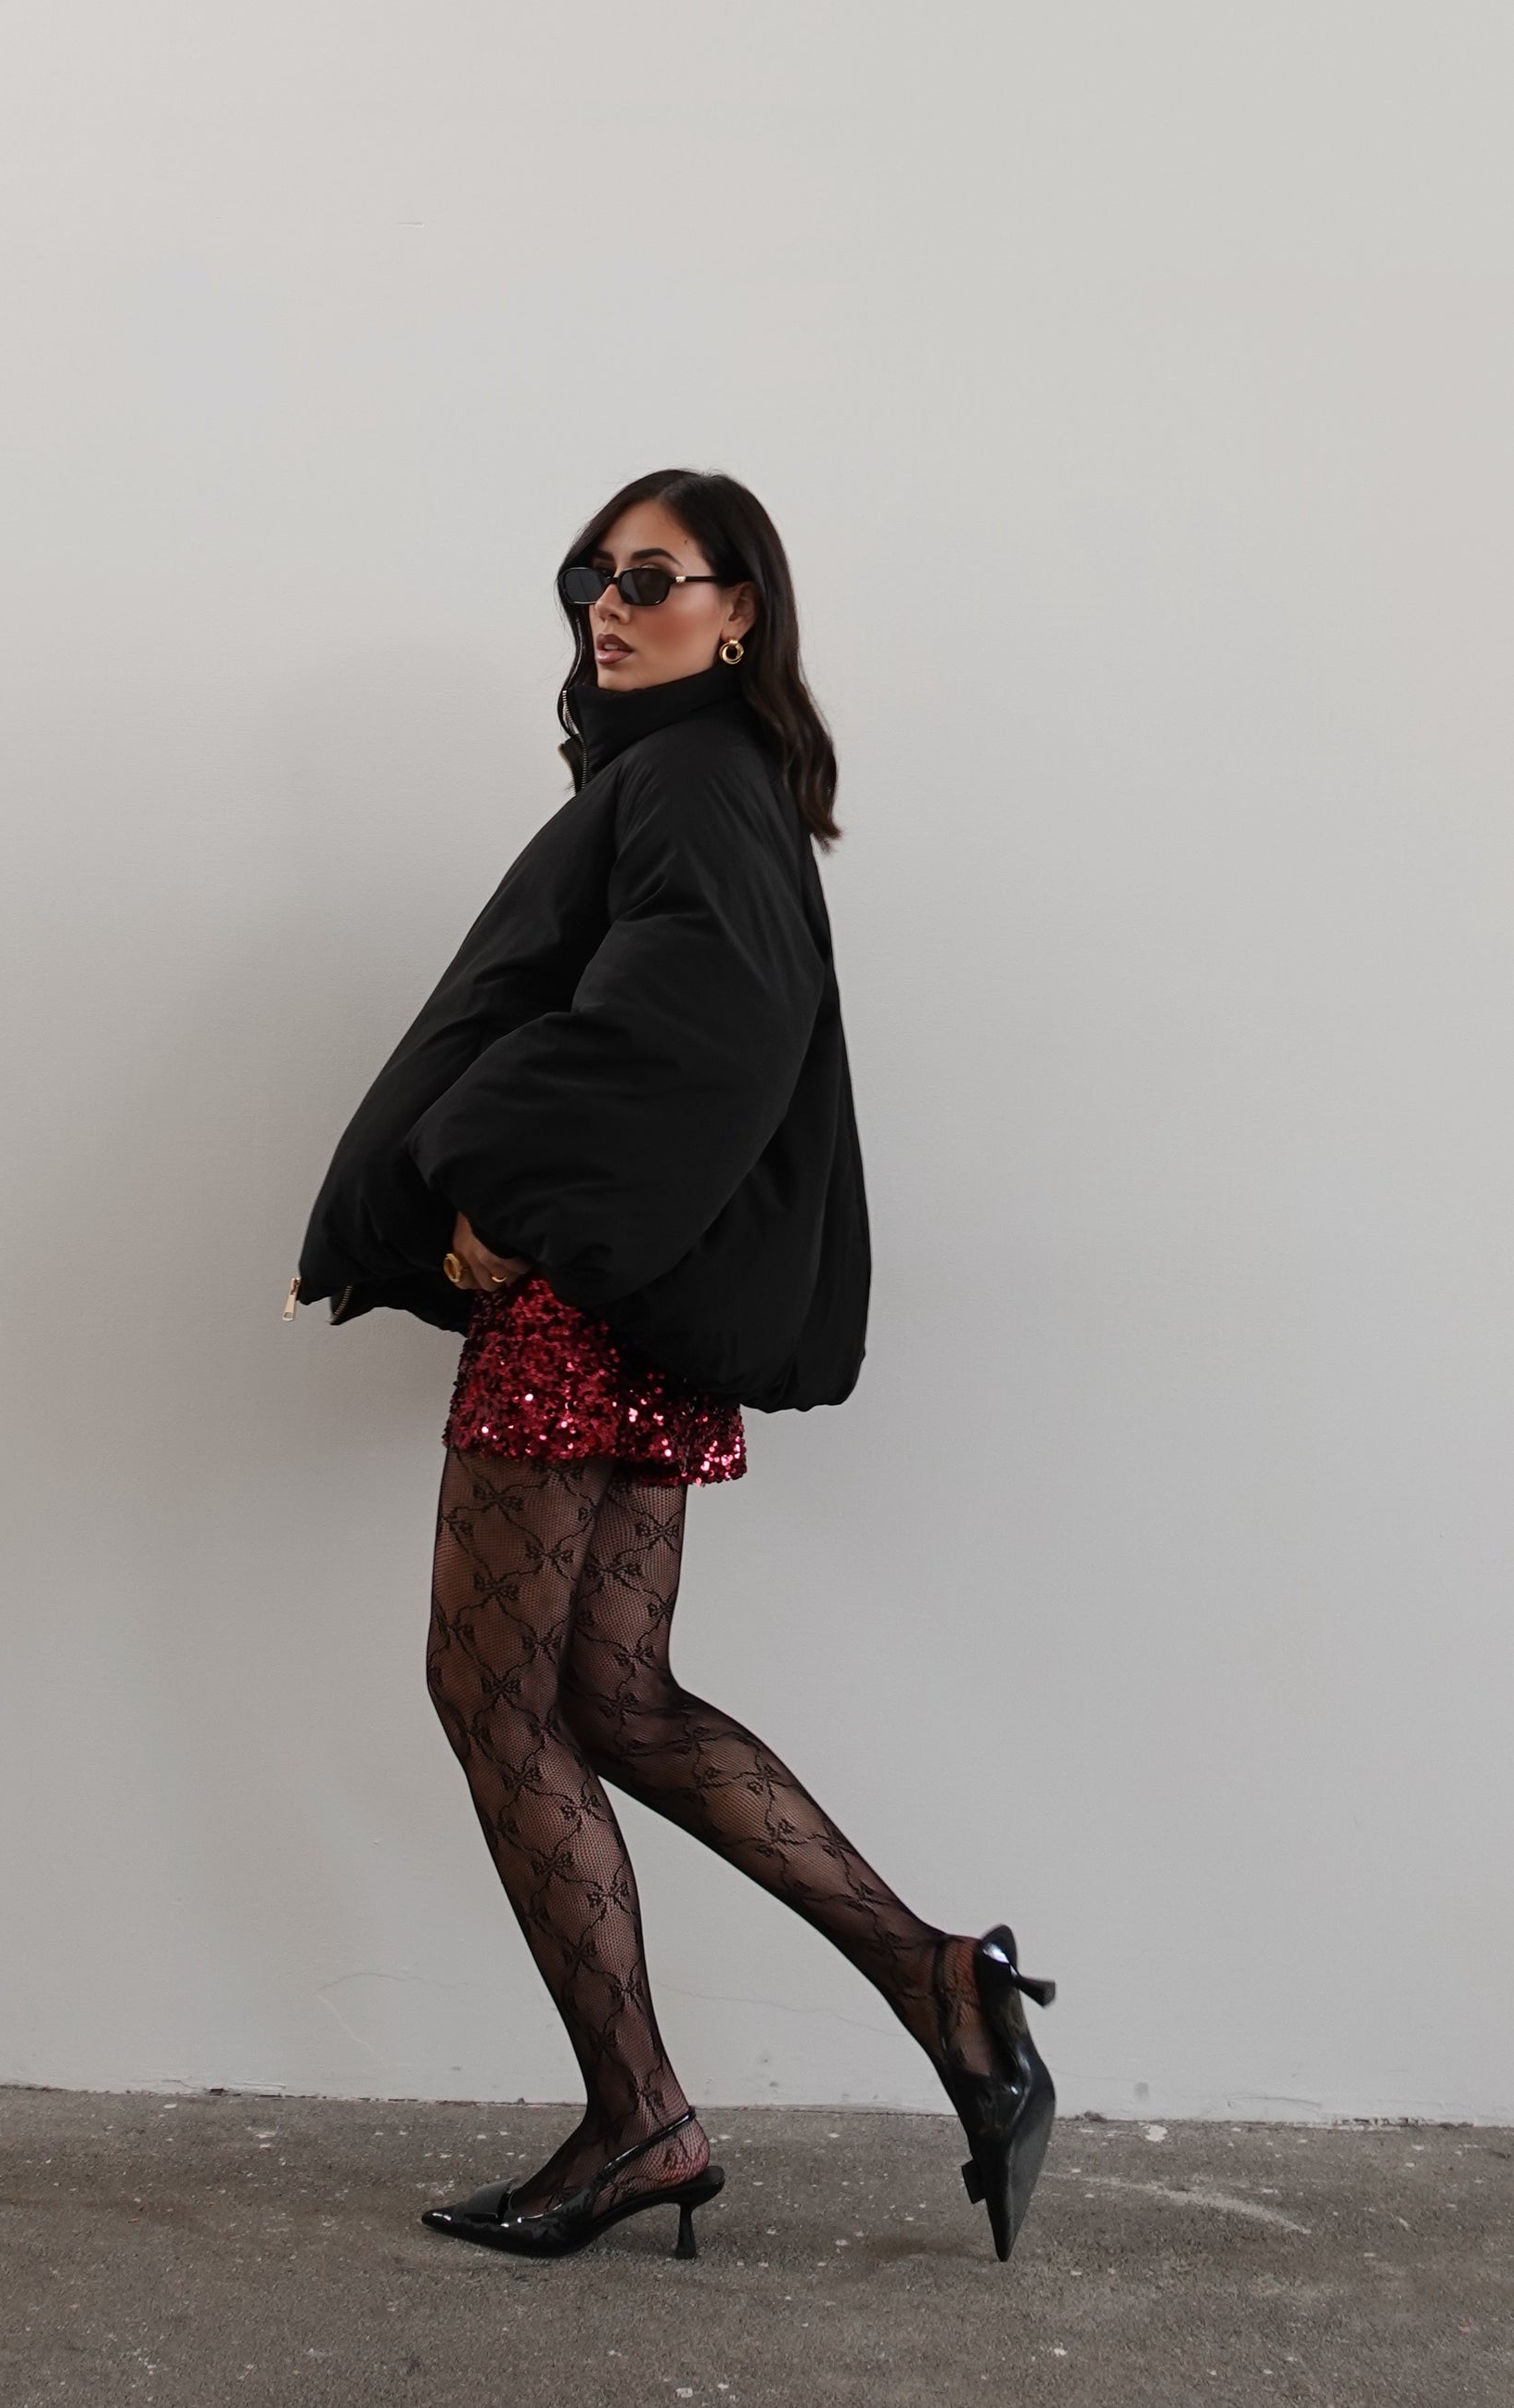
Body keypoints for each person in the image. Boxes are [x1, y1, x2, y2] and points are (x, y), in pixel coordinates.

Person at [289, 468, 1056, 2264]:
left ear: (739, 609)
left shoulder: (696, 780)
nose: (606, 610)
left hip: (577, 1304)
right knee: (616, 1698)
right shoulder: (709, 779)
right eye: (589, 580)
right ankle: (939, 1982)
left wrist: (490, 1186)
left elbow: (687, 1027)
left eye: (649, 577)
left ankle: (640, 2115)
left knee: (492, 1697)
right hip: (627, 1303)